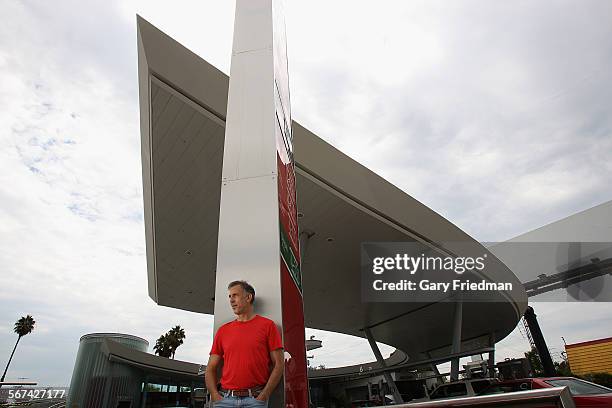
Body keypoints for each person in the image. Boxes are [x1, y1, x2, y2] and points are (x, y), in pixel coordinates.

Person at [205, 281, 284, 407]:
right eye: (230, 296)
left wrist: (264, 395)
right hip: (224, 400)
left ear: (248, 297)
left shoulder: (268, 326)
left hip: (255, 400)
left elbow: (279, 365)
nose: (231, 300)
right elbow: (210, 368)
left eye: (235, 295)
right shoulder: (223, 330)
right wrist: (215, 396)